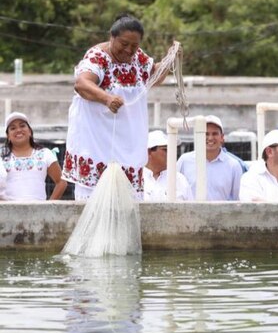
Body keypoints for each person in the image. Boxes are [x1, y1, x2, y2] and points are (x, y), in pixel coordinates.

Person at [63, 13, 171, 200]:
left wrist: (171, 59)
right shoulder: (97, 57)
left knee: (128, 202)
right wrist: (106, 98)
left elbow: (155, 75)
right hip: (97, 145)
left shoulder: (138, 57)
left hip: (128, 144)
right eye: (124, 44)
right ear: (111, 37)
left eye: (134, 45)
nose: (129, 50)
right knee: (96, 203)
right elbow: (82, 84)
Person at [2, 112, 67, 200]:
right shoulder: (1, 156)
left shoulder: (45, 154)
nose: (18, 130)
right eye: (13, 128)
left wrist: (49, 208)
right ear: (8, 136)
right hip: (7, 212)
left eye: (22, 126)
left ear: (30, 131)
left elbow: (61, 182)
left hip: (38, 212)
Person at [177, 115, 241, 200]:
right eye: (206, 134)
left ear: (222, 137)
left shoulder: (234, 166)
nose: (210, 138)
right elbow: (175, 191)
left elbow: (237, 199)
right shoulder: (184, 161)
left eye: (214, 134)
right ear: (198, 136)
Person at [143, 130, 193, 201]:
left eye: (172, 149)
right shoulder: (135, 180)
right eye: (165, 150)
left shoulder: (180, 180)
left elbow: (191, 210)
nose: (171, 153)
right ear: (149, 152)